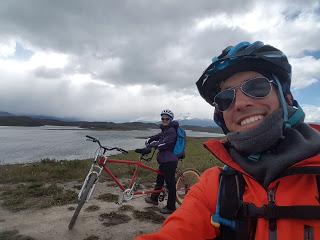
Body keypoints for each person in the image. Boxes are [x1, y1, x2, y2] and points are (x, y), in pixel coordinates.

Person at [136, 41, 320, 239]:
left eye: (257, 87)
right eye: (225, 98)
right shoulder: (215, 185)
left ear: (287, 98)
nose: (240, 104)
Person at [144, 109, 179, 214]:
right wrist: (149, 138)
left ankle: (171, 207)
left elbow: (165, 144)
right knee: (159, 180)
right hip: (164, 161)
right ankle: (154, 199)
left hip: (170, 161)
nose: (164, 120)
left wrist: (152, 145)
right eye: (162, 118)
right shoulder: (165, 130)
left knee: (170, 184)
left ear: (170, 120)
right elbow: (158, 136)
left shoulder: (172, 131)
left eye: (166, 118)